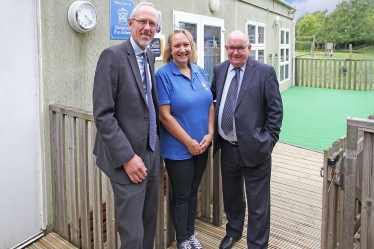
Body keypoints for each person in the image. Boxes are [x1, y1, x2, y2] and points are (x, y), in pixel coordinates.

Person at [92, 2, 160, 249]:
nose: (147, 28)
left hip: (151, 153)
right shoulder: (112, 56)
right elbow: (103, 115)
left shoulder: (149, 55)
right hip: (126, 160)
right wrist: (127, 158)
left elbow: (145, 105)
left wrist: (155, 149)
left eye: (152, 24)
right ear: (130, 24)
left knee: (149, 222)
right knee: (132, 233)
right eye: (142, 21)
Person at [211, 30, 283, 249]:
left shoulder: (264, 72)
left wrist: (267, 142)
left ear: (249, 48)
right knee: (232, 196)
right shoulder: (219, 70)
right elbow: (215, 101)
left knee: (258, 204)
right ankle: (233, 232)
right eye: (231, 47)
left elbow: (275, 113)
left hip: (255, 149)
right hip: (227, 149)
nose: (235, 52)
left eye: (240, 48)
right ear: (225, 48)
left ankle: (257, 245)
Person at [155, 29, 214, 249]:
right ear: (170, 50)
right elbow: (165, 115)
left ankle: (191, 235)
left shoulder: (199, 71)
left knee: (192, 191)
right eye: (177, 46)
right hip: (179, 149)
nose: (182, 50)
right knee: (181, 195)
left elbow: (210, 103)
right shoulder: (163, 75)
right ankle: (182, 240)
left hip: (202, 145)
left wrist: (210, 134)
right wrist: (189, 142)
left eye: (186, 45)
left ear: (191, 47)